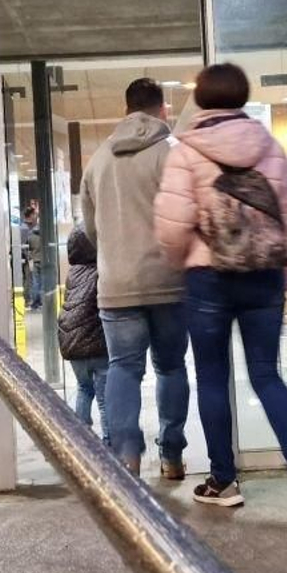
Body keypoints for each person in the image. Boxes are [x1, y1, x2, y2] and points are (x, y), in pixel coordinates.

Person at [154, 63, 287, 517]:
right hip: (264, 274)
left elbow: (172, 227)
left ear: (203, 100)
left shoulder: (186, 150)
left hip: (208, 278)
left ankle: (224, 480)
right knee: (267, 375)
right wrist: (285, 277)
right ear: (243, 97)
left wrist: (183, 264)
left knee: (212, 378)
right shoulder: (270, 147)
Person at [79, 78, 190, 479]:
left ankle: (127, 457)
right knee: (171, 367)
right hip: (169, 282)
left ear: (125, 109)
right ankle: (172, 456)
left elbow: (89, 229)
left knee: (123, 368)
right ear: (162, 110)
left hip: (117, 284)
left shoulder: (98, 160)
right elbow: (186, 217)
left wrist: (113, 250)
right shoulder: (171, 154)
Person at [58, 226, 109, 444]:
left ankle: (81, 441)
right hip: (95, 342)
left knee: (84, 389)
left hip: (72, 344)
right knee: (104, 399)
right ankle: (109, 444)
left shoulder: (72, 273)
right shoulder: (101, 270)